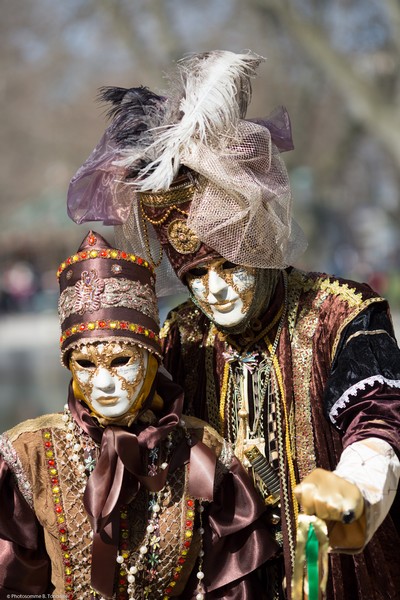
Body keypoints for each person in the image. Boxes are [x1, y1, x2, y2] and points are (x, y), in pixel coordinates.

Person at [67, 51, 400, 599]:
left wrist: (354, 492)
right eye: (197, 273)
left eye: (231, 266)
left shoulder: (339, 314)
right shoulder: (180, 336)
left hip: (335, 578)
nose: (214, 290)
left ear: (262, 247)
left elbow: (378, 421)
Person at [0, 230, 277, 599]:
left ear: (151, 360)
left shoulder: (200, 450)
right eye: (84, 363)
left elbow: (230, 584)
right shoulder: (27, 454)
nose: (104, 383)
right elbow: (14, 584)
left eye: (120, 361)